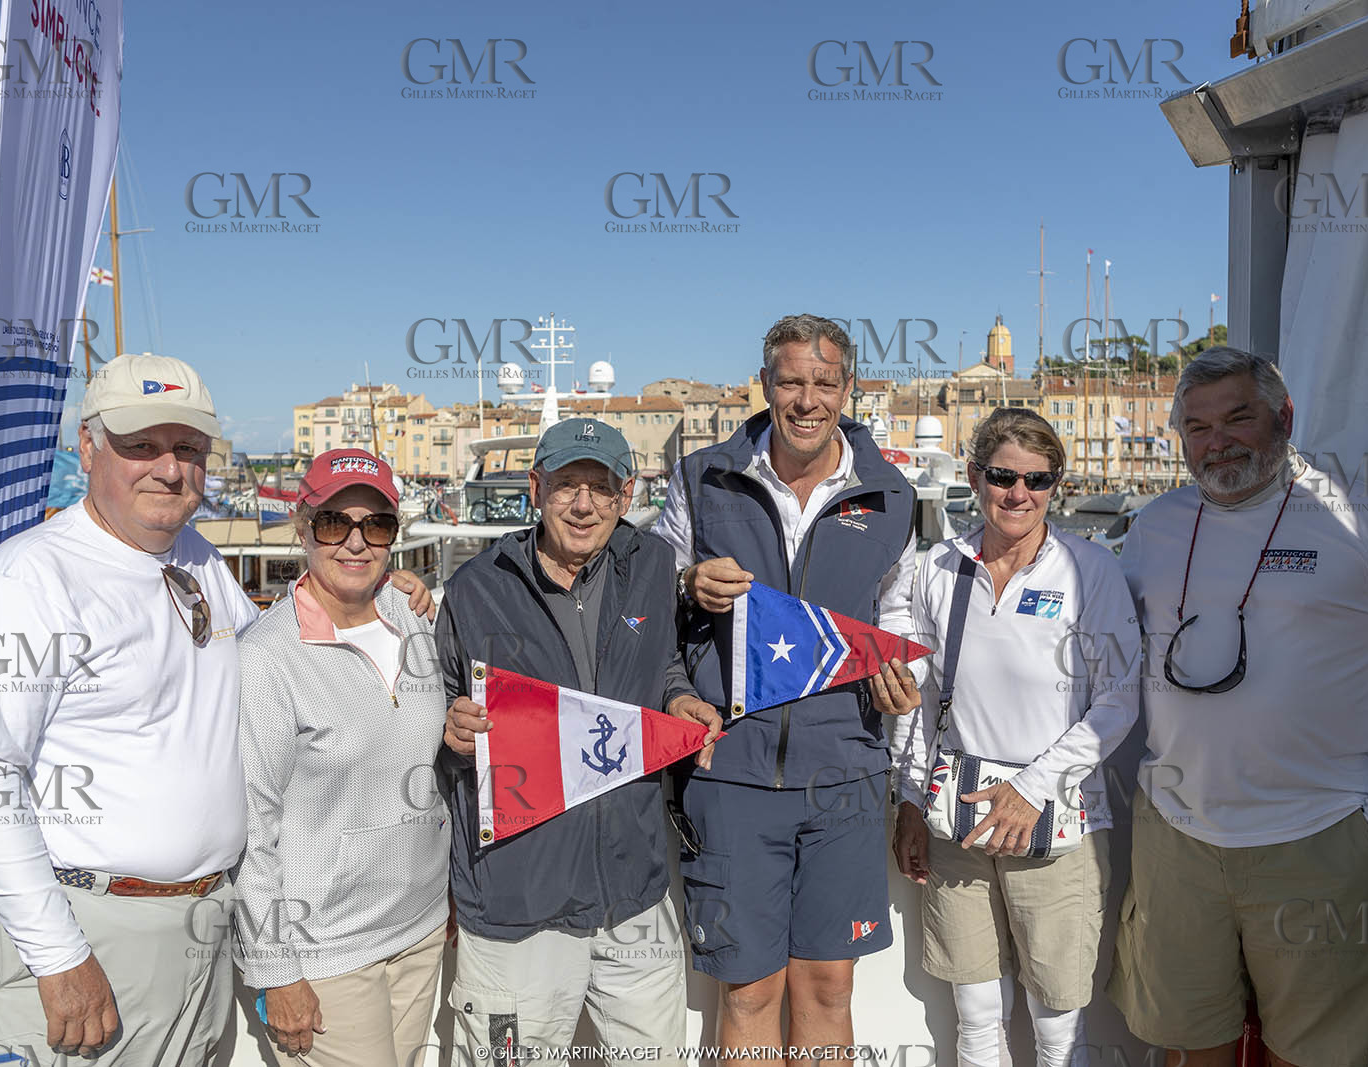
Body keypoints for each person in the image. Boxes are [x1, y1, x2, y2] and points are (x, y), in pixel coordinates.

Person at [1107, 347, 1368, 1067]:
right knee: (1189, 1049)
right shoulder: (1154, 526)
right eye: (1196, 426)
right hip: (1177, 838)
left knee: (1320, 1056)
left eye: (1239, 417)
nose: (1218, 441)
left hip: (1323, 838)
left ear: (1284, 417)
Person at [0, 354, 261, 1066]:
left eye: (189, 449)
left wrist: (379, 599)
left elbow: (273, 670)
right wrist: (58, 955)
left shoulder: (199, 560)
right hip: (76, 941)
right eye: (141, 445)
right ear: (88, 447)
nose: (170, 469)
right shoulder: (27, 580)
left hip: (196, 939)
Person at [653, 313, 921, 1058]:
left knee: (830, 985)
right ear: (765, 385)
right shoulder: (701, 476)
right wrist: (685, 585)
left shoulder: (892, 494)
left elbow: (897, 615)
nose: (808, 398)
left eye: (824, 381)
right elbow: (643, 606)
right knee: (749, 991)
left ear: (848, 388)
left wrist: (902, 681)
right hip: (731, 774)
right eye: (791, 381)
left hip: (848, 775)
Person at [439, 418, 722, 1065]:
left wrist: (679, 698)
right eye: (568, 483)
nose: (584, 502)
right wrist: (448, 734)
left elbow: (666, 662)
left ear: (626, 496)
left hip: (634, 894)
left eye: (600, 486)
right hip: (518, 905)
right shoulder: (473, 589)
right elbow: (430, 725)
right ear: (537, 488)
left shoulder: (653, 566)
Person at [888, 408, 1139, 1067]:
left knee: (1057, 1026)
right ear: (974, 476)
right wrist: (911, 800)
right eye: (1002, 476)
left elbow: (1119, 697)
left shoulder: (1090, 571)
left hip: (1056, 817)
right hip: (958, 818)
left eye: (1038, 479)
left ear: (1057, 483)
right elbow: (922, 702)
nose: (1019, 494)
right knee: (975, 1017)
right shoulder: (937, 568)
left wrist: (1031, 788)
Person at [235, 448, 452, 1067]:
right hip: (325, 948)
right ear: (303, 527)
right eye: (334, 523)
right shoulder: (268, 657)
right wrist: (276, 971)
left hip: (419, 926)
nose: (356, 542)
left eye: (376, 524)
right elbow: (252, 826)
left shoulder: (414, 621)